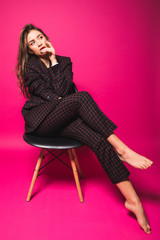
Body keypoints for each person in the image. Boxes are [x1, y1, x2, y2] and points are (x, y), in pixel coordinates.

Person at [16, 24, 153, 234]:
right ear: (30, 50)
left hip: (63, 118)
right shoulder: (31, 68)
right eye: (32, 43)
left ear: (47, 38)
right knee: (83, 97)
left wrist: (54, 61)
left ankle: (133, 202)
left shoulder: (63, 61)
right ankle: (123, 149)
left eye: (40, 37)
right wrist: (54, 73)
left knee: (99, 141)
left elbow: (64, 93)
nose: (39, 43)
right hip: (42, 122)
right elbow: (52, 96)